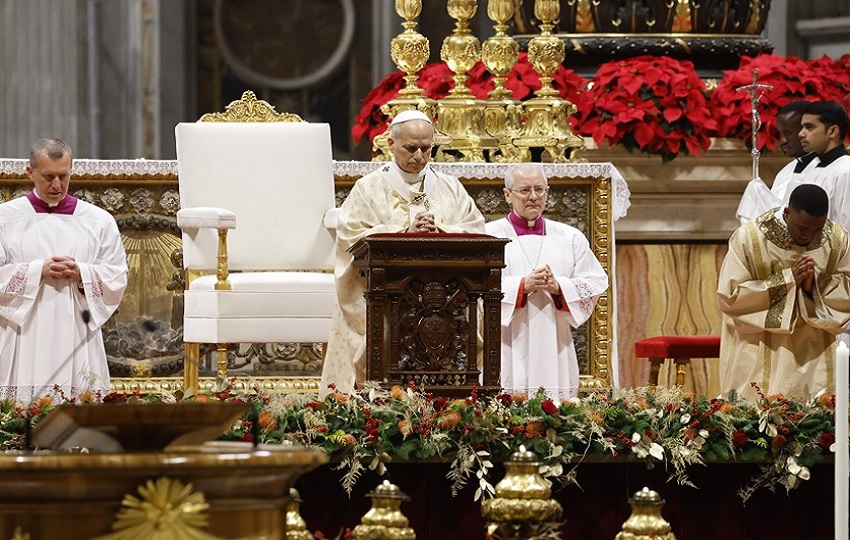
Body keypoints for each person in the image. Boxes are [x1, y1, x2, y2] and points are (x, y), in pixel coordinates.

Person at [320, 110, 485, 396]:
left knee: (469, 321)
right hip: (383, 294)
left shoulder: (450, 188)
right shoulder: (368, 188)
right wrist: (403, 231)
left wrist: (441, 229)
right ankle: (378, 399)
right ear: (391, 144)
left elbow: (477, 230)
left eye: (426, 148)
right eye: (411, 148)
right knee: (381, 328)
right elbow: (351, 237)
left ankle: (453, 398)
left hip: (447, 294)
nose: (419, 156)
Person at [0, 138, 128, 401]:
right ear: (30, 172)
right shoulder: (6, 218)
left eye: (63, 176)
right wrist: (37, 271)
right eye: (48, 176)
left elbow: (116, 275)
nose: (57, 185)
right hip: (23, 332)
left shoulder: (98, 220)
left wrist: (82, 272)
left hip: (76, 328)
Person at [717, 183, 850, 402]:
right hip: (760, 350)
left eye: (816, 229)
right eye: (803, 229)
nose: (809, 236)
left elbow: (846, 289)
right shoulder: (750, 239)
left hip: (815, 352)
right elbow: (731, 296)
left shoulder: (837, 240)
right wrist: (787, 280)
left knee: (817, 424)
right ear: (787, 212)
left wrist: (813, 285)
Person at [485, 164, 609, 399]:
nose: (533, 197)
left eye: (539, 190)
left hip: (554, 340)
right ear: (507, 195)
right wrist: (522, 286)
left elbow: (595, 281)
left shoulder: (570, 237)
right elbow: (475, 289)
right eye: (524, 190)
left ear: (548, 192)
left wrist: (559, 287)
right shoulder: (488, 236)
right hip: (507, 341)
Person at [735, 101, 817, 224]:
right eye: (780, 133)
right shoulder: (785, 172)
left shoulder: (831, 169)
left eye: (788, 133)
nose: (782, 141)